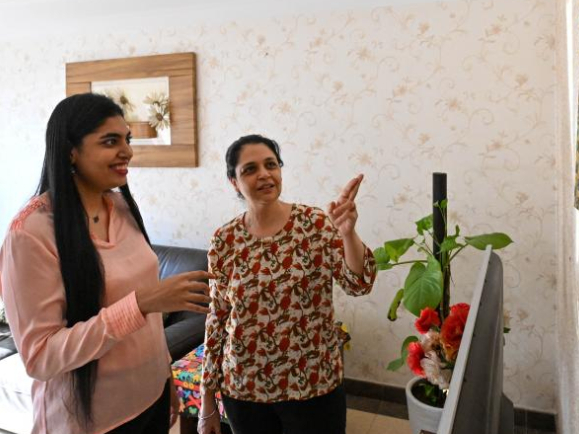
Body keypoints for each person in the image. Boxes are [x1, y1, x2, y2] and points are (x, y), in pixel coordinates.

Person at [0, 93, 213, 434]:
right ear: (71, 150)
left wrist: (164, 378)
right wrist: (141, 304)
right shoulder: (30, 234)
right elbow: (41, 357)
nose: (127, 150)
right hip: (90, 422)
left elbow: (152, 326)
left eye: (127, 139)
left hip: (149, 400)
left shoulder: (121, 207)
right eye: (110, 141)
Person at [198, 135, 377, 434]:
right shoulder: (224, 239)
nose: (264, 174)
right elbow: (217, 317)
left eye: (271, 164)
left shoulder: (315, 224)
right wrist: (207, 400)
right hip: (244, 389)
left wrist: (347, 233)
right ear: (233, 181)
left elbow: (359, 284)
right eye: (250, 169)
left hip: (313, 385)